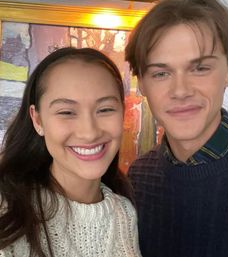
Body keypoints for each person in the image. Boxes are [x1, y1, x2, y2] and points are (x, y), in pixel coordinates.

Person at [0, 47, 142, 257]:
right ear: (37, 120)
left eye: (105, 109)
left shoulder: (124, 213)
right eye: (66, 112)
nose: (89, 132)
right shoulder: (7, 209)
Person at [125, 0, 228, 257]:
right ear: (142, 83)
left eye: (200, 68)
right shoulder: (138, 177)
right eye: (161, 73)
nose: (181, 90)